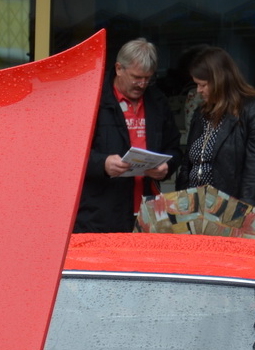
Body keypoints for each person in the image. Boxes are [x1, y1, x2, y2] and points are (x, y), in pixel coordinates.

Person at [76, 39, 182, 233]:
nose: (142, 84)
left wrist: (167, 167)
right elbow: (71, 153)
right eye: (136, 77)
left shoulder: (157, 101)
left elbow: (173, 147)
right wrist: (103, 164)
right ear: (118, 69)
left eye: (148, 78)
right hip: (100, 213)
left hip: (148, 210)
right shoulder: (94, 100)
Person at [178, 47, 255, 212]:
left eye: (203, 85)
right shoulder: (202, 112)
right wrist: (181, 201)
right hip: (197, 207)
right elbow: (188, 162)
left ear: (219, 81)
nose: (198, 90)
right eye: (197, 84)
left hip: (232, 209)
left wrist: (243, 213)